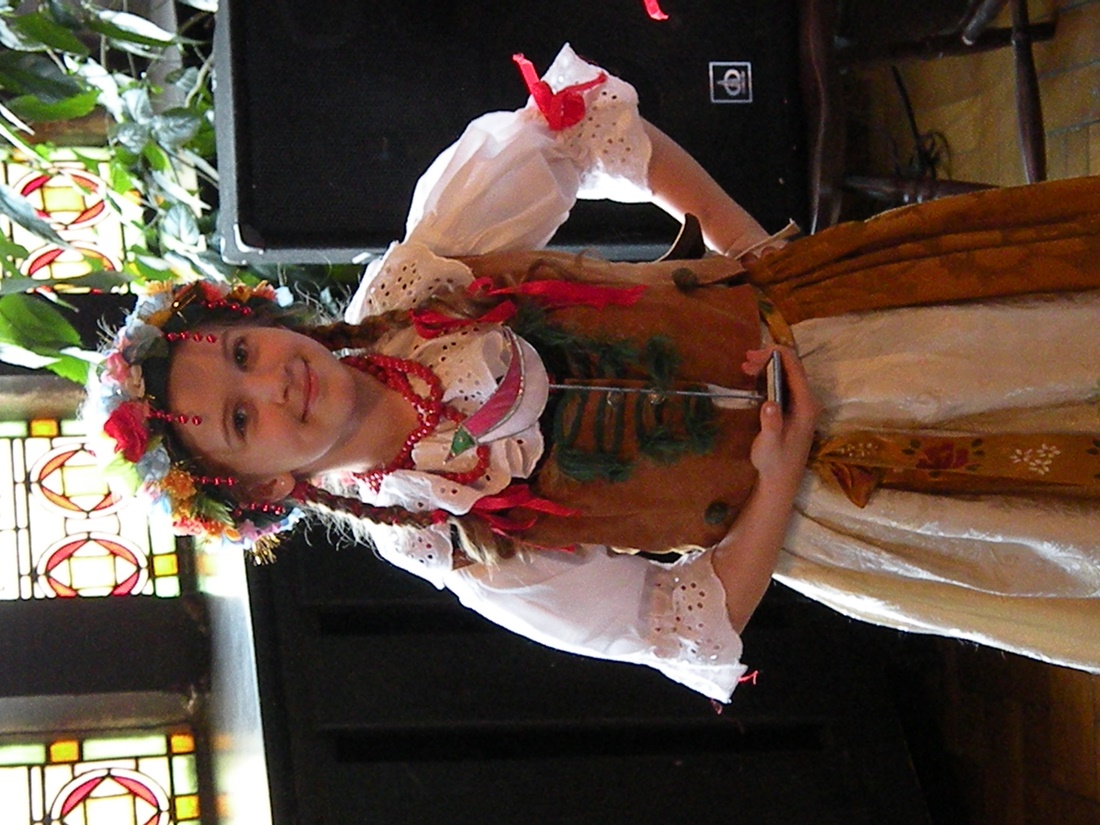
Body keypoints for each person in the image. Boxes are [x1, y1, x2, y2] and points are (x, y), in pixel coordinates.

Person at [86, 45, 1100, 703]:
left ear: (255, 321)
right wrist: (780, 470)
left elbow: (572, 133)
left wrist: (745, 245)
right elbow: (673, 619)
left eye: (244, 353)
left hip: (840, 322)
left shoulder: (425, 277)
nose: (272, 385)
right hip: (851, 501)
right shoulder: (457, 543)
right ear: (264, 487)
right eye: (241, 420)